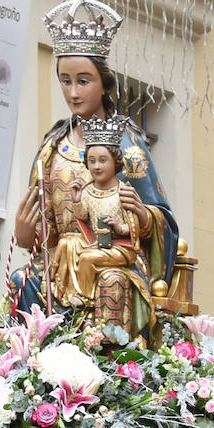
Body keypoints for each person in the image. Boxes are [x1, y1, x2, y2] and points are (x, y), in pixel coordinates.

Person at [11, 0, 177, 330]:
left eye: (83, 81)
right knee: (21, 282)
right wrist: (26, 235)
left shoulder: (127, 146)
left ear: (104, 84)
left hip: (111, 263)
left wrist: (144, 217)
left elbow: (164, 222)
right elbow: (42, 235)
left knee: (110, 284)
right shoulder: (51, 149)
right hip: (61, 267)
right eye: (66, 81)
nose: (73, 93)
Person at [53, 128, 153, 333]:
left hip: (121, 248)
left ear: (115, 162)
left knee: (87, 258)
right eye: (92, 161)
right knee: (66, 244)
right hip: (96, 243)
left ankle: (85, 301)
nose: (97, 166)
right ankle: (62, 292)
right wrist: (77, 198)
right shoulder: (89, 190)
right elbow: (82, 217)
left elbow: (132, 227)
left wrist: (118, 227)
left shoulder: (123, 191)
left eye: (102, 160)